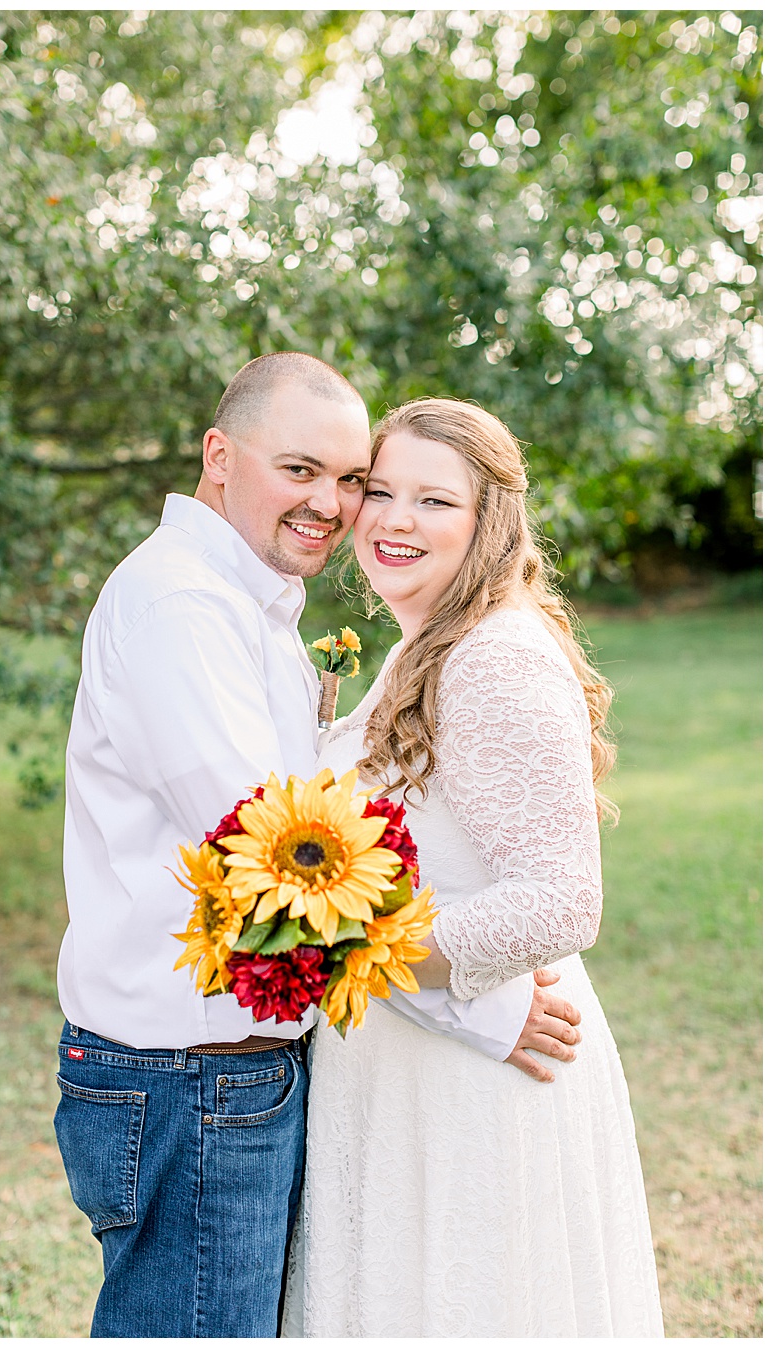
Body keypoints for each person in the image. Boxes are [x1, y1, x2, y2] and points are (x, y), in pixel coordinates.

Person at [52, 353, 584, 1337]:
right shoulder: (183, 607)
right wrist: (485, 1010)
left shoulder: (251, 607)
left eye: (352, 479)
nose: (337, 505)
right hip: (191, 1078)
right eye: (305, 470)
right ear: (220, 456)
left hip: (224, 1074)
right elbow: (279, 862)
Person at [283, 398, 663, 1335]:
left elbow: (563, 899)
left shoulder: (494, 656)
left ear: (487, 520)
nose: (395, 519)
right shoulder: (425, 645)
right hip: (406, 1063)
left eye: (433, 500)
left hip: (471, 1083)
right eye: (380, 490)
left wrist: (352, 946)